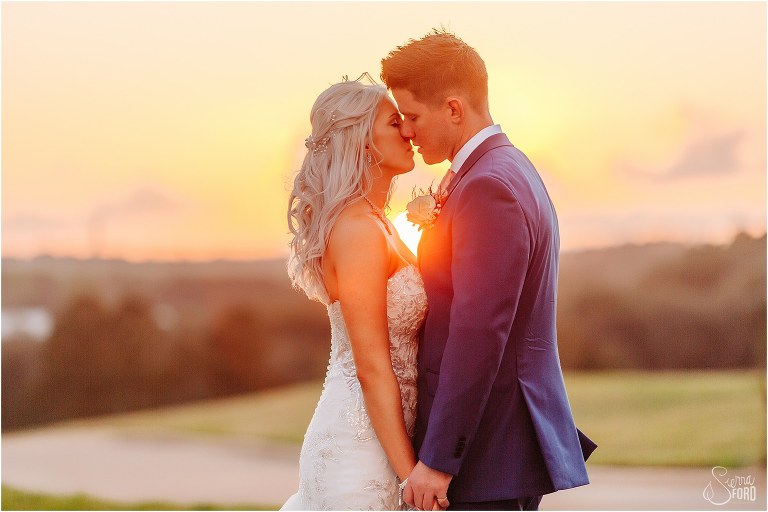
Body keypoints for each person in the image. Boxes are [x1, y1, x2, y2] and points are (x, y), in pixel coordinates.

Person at [380, 30, 598, 511]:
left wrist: (439, 460)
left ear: (454, 109)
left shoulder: (487, 188)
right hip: (493, 449)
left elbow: (479, 331)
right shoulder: (508, 168)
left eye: (413, 116)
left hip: (487, 454)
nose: (408, 131)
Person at [281, 75, 427, 510]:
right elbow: (372, 368)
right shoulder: (357, 231)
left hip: (386, 438)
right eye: (393, 123)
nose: (409, 131)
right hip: (359, 453)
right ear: (364, 142)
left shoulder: (377, 222)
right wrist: (410, 477)